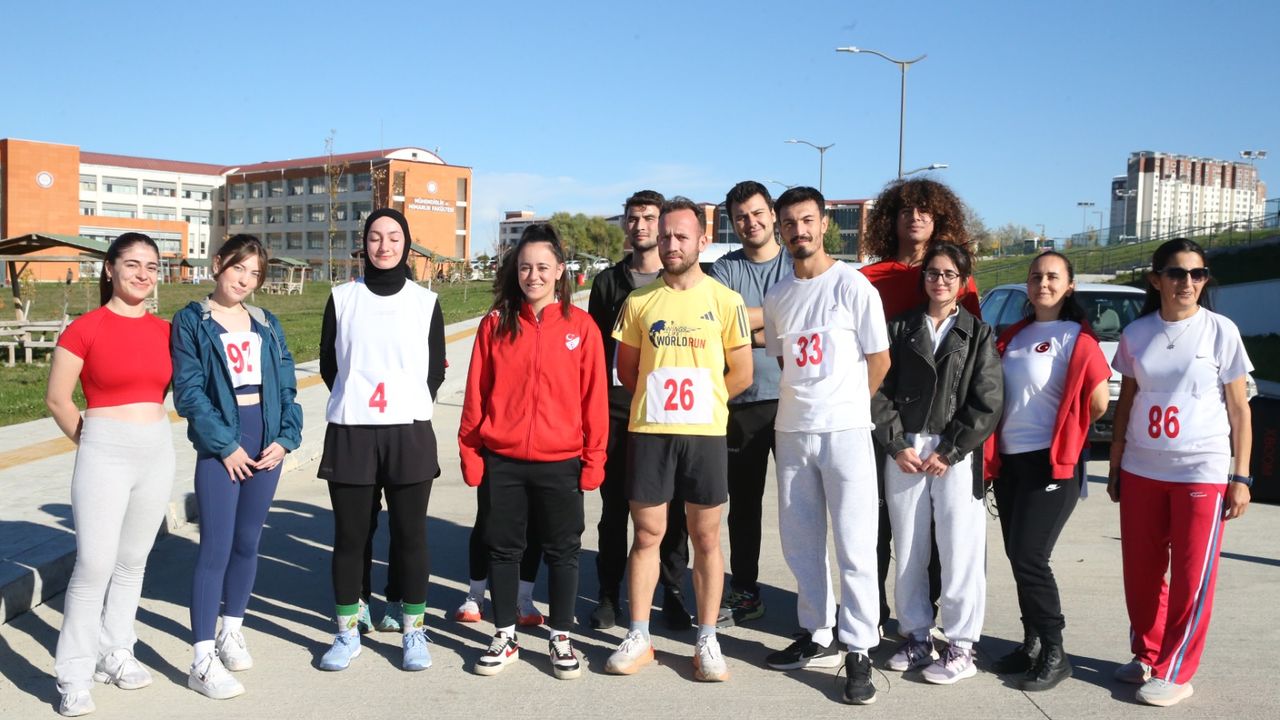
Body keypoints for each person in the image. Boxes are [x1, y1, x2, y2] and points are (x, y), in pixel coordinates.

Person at [605, 197, 752, 682]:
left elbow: (742, 373)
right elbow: (629, 373)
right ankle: (639, 635)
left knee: (706, 536)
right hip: (651, 434)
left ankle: (706, 638)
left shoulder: (725, 301)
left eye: (681, 236)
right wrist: (661, 405)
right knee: (647, 534)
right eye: (665, 235)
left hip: (704, 436)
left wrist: (703, 404)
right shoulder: (639, 302)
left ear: (702, 241)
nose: (671, 244)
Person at [1106, 238, 1253, 708]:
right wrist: (1115, 462)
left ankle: (1177, 669)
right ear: (1156, 280)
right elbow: (1127, 402)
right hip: (1141, 467)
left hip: (1200, 469)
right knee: (1142, 573)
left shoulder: (1220, 331)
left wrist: (1241, 477)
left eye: (1197, 273)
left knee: (1192, 575)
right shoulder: (1137, 333)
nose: (1188, 282)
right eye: (1176, 273)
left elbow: (1239, 410)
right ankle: (1148, 655)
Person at [459, 223, 608, 679]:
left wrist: (594, 459)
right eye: (525, 267)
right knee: (503, 549)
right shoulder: (495, 323)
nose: (534, 276)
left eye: (543, 267)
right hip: (503, 461)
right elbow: (476, 393)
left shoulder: (581, 327)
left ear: (560, 270)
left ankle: (561, 637)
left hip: (561, 462)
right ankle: (504, 634)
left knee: (563, 551)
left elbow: (594, 399)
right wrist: (471, 451)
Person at [761, 187, 890, 705]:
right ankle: (817, 632)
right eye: (789, 223)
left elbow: (879, 360)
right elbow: (784, 360)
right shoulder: (778, 296)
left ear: (824, 224)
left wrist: (848, 407)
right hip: (793, 432)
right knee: (801, 542)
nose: (799, 231)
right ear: (780, 230)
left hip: (846, 433)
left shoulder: (854, 286)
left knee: (856, 544)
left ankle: (859, 648)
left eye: (807, 220)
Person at [47, 233, 174, 717]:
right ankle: (74, 675)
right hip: (103, 449)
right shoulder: (84, 329)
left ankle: (116, 650)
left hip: (157, 449)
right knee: (94, 565)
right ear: (110, 269)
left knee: (133, 561)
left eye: (152, 266)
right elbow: (58, 399)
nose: (143, 274)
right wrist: (95, 442)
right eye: (133, 264)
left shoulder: (166, 331)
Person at [171, 235, 302, 699]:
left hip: (266, 447)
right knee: (216, 547)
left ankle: (231, 630)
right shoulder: (192, 320)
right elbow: (189, 392)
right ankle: (201, 658)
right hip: (222, 447)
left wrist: (286, 439)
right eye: (238, 268)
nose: (245, 280)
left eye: (255, 273)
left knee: (248, 542)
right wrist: (225, 446)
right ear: (218, 265)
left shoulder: (266, 323)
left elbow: (287, 385)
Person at [316, 208, 445, 672]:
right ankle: (347, 631)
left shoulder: (425, 302)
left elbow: (434, 370)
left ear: (406, 245)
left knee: (411, 535)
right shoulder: (342, 298)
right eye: (375, 237)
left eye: (393, 237)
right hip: (352, 431)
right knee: (351, 537)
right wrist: (360, 401)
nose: (384, 246)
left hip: (408, 432)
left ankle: (413, 630)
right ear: (364, 244)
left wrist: (403, 403)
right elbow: (329, 364)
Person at [871, 243, 1002, 685]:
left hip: (955, 454)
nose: (940, 281)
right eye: (932, 272)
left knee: (960, 548)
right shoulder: (900, 327)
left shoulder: (978, 333)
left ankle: (962, 644)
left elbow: (988, 401)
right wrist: (895, 443)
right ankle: (916, 636)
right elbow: (878, 389)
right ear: (923, 277)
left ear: (963, 282)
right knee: (909, 548)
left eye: (949, 274)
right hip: (906, 451)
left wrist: (951, 449)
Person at [982, 251, 1110, 691]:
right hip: (1010, 461)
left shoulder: (1078, 338)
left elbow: (1098, 402)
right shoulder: (1013, 334)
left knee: (1030, 557)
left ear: (1069, 286)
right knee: (1018, 556)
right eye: (1036, 276)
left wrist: (1068, 431)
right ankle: (1032, 644)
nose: (1043, 283)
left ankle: (1056, 652)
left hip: (1050, 463)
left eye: (1053, 277)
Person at [861, 177, 980, 633]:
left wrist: (959, 438)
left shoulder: (957, 280)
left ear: (940, 218)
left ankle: (923, 621)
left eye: (925, 210)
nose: (915, 217)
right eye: (906, 210)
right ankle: (869, 614)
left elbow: (969, 360)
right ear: (890, 220)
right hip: (876, 418)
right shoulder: (868, 279)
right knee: (874, 525)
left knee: (932, 533)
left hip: (935, 429)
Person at [586, 190, 693, 631]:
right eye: (633, 218)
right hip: (617, 410)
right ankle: (608, 594)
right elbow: (593, 354)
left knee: (673, 511)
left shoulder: (680, 281)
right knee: (614, 509)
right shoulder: (607, 284)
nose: (641, 225)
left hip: (669, 411)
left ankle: (672, 592)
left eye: (650, 217)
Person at [708, 181, 791, 627]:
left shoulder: (795, 262)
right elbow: (721, 320)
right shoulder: (725, 269)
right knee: (743, 506)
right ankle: (745, 591)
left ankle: (812, 601)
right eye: (741, 216)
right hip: (742, 403)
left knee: (802, 505)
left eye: (757, 213)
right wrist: (777, 325)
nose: (750, 222)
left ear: (772, 214)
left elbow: (804, 315)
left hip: (795, 401)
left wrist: (753, 328)